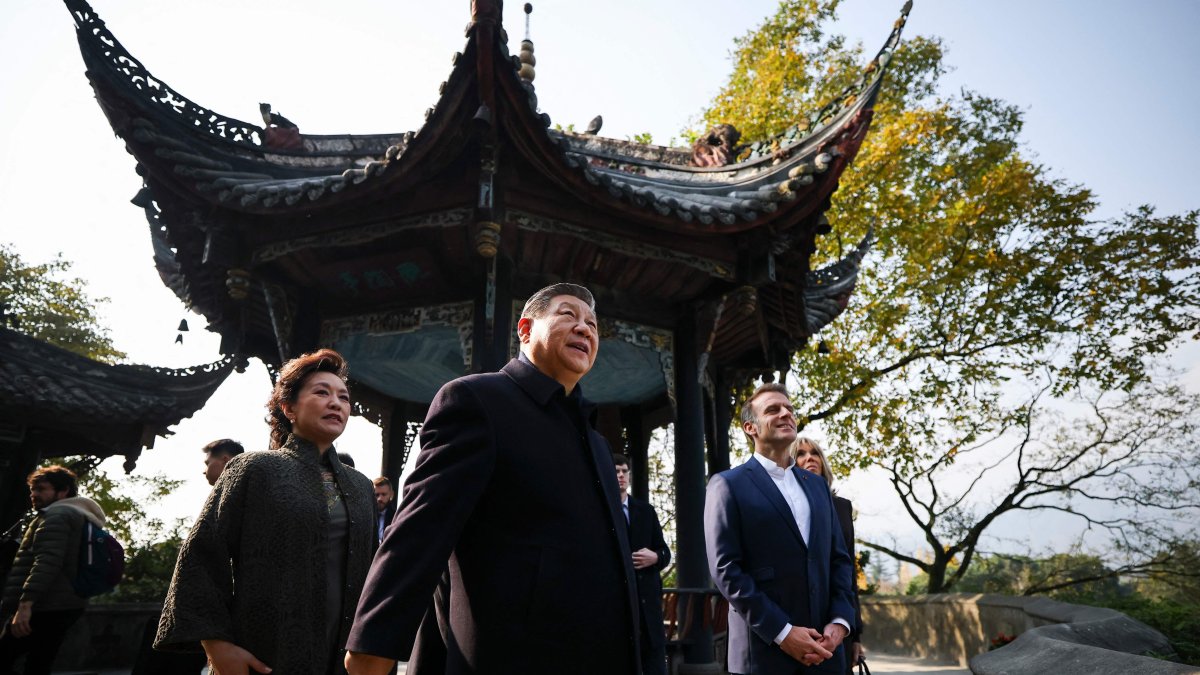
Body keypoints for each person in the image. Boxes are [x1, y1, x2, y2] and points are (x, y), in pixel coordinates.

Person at [345, 283, 640, 675]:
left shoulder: (598, 445)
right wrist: (373, 642)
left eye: (593, 324)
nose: (585, 328)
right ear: (524, 329)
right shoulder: (477, 401)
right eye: (568, 315)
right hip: (512, 654)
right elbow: (422, 527)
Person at [155, 348, 376, 675]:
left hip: (344, 658)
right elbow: (201, 554)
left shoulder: (361, 486)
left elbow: (374, 569)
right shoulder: (254, 468)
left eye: (343, 397)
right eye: (321, 392)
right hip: (263, 652)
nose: (336, 403)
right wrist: (216, 646)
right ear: (288, 407)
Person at [705, 383, 856, 675]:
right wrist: (783, 632)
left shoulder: (817, 486)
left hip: (826, 653)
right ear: (751, 428)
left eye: (789, 408)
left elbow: (839, 559)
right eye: (773, 409)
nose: (786, 413)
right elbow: (726, 569)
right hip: (763, 655)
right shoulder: (727, 485)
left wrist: (840, 621)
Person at [0, 465, 107, 675]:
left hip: (43, 605)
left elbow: (48, 561)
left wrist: (25, 604)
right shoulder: (78, 515)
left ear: (63, 491)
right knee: (39, 663)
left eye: (41, 489)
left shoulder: (57, 515)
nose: (34, 494)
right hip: (66, 604)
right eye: (32, 489)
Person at [792, 437, 864, 674]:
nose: (809, 458)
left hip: (837, 619)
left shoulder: (842, 507)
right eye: (800, 454)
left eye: (814, 453)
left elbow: (848, 570)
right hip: (798, 621)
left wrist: (855, 635)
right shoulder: (788, 505)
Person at [613, 453, 671, 675]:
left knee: (655, 667)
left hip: (649, 610)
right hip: (618, 607)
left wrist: (656, 557)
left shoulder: (646, 511)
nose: (620, 476)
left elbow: (665, 552)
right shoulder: (602, 511)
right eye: (616, 471)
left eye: (624, 471)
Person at [372, 477, 396, 547]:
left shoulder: (397, 517)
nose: (380, 498)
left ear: (391, 494)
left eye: (384, 494)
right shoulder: (365, 516)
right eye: (377, 495)